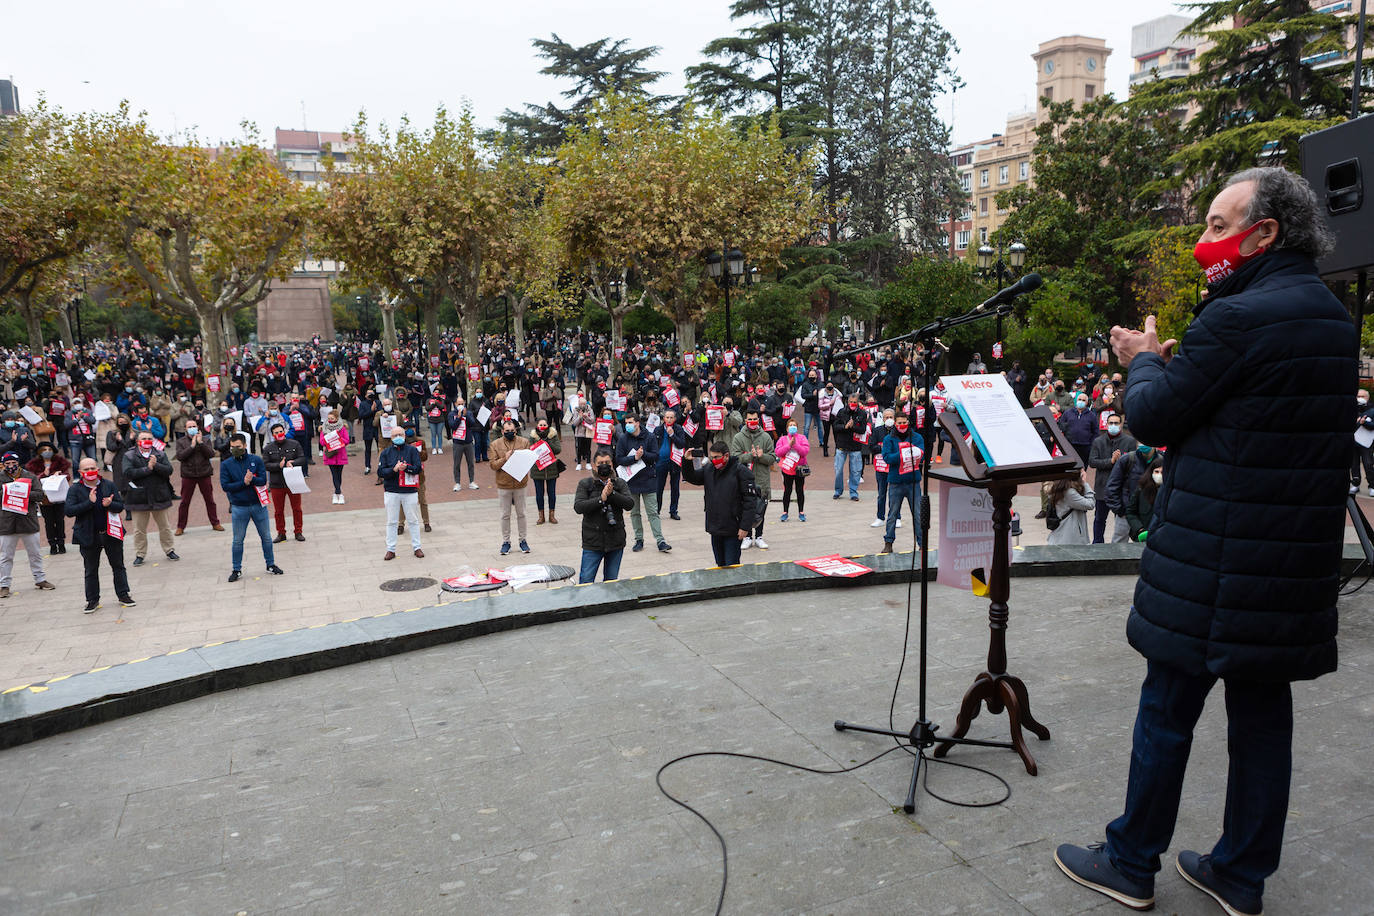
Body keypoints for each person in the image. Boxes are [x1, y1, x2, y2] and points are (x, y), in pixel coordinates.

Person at [1055, 167, 1356, 916]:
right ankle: (1240, 875)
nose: (1205, 241)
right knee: (1263, 724)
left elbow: (1156, 416)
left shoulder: (1239, 317)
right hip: (1286, 569)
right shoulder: (1327, 313)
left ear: (1265, 233)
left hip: (1213, 563)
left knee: (1166, 711)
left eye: (1220, 226)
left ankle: (1130, 861)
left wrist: (1144, 360)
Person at [66, 457, 132, 611]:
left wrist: (110, 504)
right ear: (80, 472)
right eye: (86, 469)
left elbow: (120, 506)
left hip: (110, 533)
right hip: (88, 535)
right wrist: (89, 502)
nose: (90, 472)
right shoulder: (75, 489)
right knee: (90, 569)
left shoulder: (108, 485)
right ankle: (92, 600)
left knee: (118, 566)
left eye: (92, 468)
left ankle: (123, 594)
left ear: (97, 469)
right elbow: (69, 511)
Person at [680, 441, 760, 568]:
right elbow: (692, 477)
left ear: (726, 456)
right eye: (712, 457)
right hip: (715, 526)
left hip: (733, 528)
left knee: (731, 565)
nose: (714, 460)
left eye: (717, 457)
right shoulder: (709, 469)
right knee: (720, 565)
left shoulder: (741, 472)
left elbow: (750, 502)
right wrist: (687, 461)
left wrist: (745, 527)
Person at [218, 432, 283, 582]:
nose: (235, 449)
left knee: (266, 537)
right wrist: (244, 482)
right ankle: (236, 569)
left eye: (238, 447)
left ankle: (270, 564)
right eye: (232, 447)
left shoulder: (256, 460)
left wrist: (251, 479)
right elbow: (225, 486)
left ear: (245, 445)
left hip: (258, 505)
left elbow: (262, 481)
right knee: (238, 540)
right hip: (239, 507)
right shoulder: (226, 464)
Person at [573, 447, 634, 583]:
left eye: (607, 462)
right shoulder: (585, 484)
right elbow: (579, 507)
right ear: (594, 465)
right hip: (593, 542)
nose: (604, 466)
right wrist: (601, 499)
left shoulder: (619, 483)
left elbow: (629, 504)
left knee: (611, 582)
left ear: (612, 464)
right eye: (600, 463)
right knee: (586, 581)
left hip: (615, 541)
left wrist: (612, 494)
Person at [0, 451, 55, 598]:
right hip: (7, 523)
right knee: (6, 556)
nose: (11, 466)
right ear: (3, 464)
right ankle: (4, 585)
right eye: (7, 464)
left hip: (28, 521)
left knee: (35, 554)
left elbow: (39, 495)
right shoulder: (0, 477)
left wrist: (22, 491)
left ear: (18, 463)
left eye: (13, 463)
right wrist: (9, 490)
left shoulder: (29, 476)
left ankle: (40, 579)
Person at [121, 431, 178, 566]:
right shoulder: (129, 455)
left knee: (164, 526)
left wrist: (156, 465)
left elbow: (169, 470)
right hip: (138, 497)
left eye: (149, 438)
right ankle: (140, 554)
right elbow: (128, 473)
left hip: (159, 495)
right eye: (143, 438)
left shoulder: (160, 454)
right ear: (137, 441)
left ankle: (169, 550)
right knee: (139, 529)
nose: (146, 440)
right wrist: (147, 469)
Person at [615, 414, 670, 553]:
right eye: (626, 422)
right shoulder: (623, 438)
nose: (627, 425)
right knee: (634, 512)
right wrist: (634, 458)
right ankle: (639, 539)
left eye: (630, 422)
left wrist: (643, 454)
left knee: (653, 512)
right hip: (631, 481)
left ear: (638, 423)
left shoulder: (649, 437)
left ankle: (660, 540)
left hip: (648, 480)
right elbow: (619, 459)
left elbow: (655, 456)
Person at [1088, 413, 1136, 544]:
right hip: (1102, 487)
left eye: (1116, 423)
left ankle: (1120, 545)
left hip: (1122, 489)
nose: (1113, 426)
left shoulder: (1129, 441)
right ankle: (1098, 544)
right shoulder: (1098, 441)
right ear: (1106, 424)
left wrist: (1121, 461)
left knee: (1121, 520)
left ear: (1121, 425)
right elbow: (1092, 462)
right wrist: (1111, 461)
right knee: (1099, 519)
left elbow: (1134, 464)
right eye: (1111, 423)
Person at [377, 425, 424, 560]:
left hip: (409, 491)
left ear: (404, 436)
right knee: (391, 521)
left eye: (400, 435)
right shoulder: (385, 453)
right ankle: (390, 549)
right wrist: (394, 469)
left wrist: (406, 468)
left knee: (413, 520)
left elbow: (417, 468)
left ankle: (417, 547)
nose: (398, 437)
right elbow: (381, 472)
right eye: (395, 435)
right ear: (391, 437)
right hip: (392, 491)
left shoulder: (412, 450)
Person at [730, 408, 775, 549]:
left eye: (755, 419)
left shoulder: (766, 437)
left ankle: (759, 536)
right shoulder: (738, 437)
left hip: (762, 480)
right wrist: (750, 455)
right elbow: (735, 458)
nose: (752, 422)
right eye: (750, 419)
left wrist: (762, 456)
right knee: (745, 509)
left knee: (761, 509)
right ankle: (747, 536)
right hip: (744, 481)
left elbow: (772, 458)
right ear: (745, 420)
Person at [879, 413, 922, 553]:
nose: (902, 425)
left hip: (913, 482)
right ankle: (888, 543)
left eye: (904, 422)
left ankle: (922, 543)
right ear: (895, 424)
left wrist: (912, 453)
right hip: (896, 482)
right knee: (892, 514)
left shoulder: (916, 437)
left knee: (918, 514)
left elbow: (922, 454)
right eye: (899, 423)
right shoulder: (888, 439)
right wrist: (904, 453)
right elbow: (887, 458)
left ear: (908, 422)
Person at [489, 417, 531, 555]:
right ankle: (506, 541)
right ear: (502, 431)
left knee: (522, 513)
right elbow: (493, 465)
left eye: (512, 430)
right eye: (507, 430)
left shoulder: (524, 442)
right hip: (503, 484)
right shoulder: (495, 444)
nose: (510, 432)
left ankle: (523, 540)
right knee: (505, 515)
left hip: (520, 483)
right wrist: (504, 458)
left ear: (516, 430)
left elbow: (529, 460)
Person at [173, 418, 223, 535]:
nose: (192, 429)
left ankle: (215, 522)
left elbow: (211, 454)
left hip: (204, 473)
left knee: (210, 500)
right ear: (185, 429)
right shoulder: (181, 442)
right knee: (185, 501)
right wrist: (192, 446)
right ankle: (181, 526)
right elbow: (180, 456)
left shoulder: (205, 440)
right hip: (188, 474)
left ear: (198, 427)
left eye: (193, 426)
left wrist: (200, 443)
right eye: (189, 427)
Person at [262, 421, 306, 543]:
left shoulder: (294, 444)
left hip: (293, 483)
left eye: (281, 431)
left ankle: (298, 531)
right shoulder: (268, 448)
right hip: (277, 484)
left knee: (297, 508)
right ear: (272, 435)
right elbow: (265, 465)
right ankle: (281, 533)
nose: (279, 434)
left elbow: (302, 458)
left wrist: (293, 463)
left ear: (284, 432)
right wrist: (278, 465)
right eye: (276, 433)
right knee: (278, 511)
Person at [26, 442, 71, 554]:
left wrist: (60, 475)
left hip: (59, 496)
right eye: (44, 449)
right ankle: (52, 543)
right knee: (49, 522)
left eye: (49, 449)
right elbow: (32, 480)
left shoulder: (60, 462)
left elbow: (68, 476)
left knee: (60, 520)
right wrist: (43, 474)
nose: (47, 452)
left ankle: (61, 543)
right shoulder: (34, 464)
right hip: (45, 498)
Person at [1044, 468, 1094, 545]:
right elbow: (1090, 504)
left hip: (1061, 537)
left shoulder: (1058, 488)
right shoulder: (1069, 493)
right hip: (1069, 539)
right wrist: (1085, 483)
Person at [654, 409, 687, 521]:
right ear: (664, 418)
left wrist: (672, 435)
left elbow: (682, 444)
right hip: (660, 462)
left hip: (675, 462)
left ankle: (673, 511)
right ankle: (656, 511)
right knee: (658, 488)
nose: (669, 419)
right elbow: (653, 445)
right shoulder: (657, 430)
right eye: (667, 417)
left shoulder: (678, 429)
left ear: (675, 418)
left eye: (671, 417)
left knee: (675, 488)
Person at [774, 418, 809, 523]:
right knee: (787, 490)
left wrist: (795, 445)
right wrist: (789, 445)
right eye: (790, 425)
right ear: (787, 428)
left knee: (800, 490)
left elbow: (805, 452)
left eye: (794, 425)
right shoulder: (782, 439)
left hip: (799, 469)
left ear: (797, 428)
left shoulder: (802, 438)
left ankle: (801, 512)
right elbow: (778, 452)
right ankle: (785, 512)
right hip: (787, 469)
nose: (792, 427)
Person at [529, 418, 562, 526]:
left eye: (544, 424)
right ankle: (541, 516)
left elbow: (558, 449)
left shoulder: (553, 435)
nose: (542, 426)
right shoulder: (533, 437)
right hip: (537, 468)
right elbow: (530, 450)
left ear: (548, 425)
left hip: (551, 468)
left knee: (551, 493)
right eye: (540, 424)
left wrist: (547, 443)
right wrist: (539, 443)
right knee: (539, 494)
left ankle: (552, 515)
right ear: (537, 426)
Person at [831, 393, 864, 501]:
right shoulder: (841, 412)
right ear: (847, 402)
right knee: (838, 469)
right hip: (842, 445)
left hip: (855, 447)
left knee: (855, 471)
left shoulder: (862, 413)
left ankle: (853, 492)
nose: (852, 404)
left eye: (855, 402)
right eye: (851, 402)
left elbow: (863, 430)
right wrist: (845, 427)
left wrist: (853, 426)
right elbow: (835, 427)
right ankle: (838, 491)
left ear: (858, 403)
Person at [1125, 459, 1163, 543]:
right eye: (1156, 471)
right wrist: (1140, 529)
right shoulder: (1141, 490)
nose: (1159, 475)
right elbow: (1130, 512)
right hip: (1144, 537)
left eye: (1162, 472)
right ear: (1151, 472)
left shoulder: (1172, 492)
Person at [319, 409, 350, 504]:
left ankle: (337, 493)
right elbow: (321, 441)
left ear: (337, 418)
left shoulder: (342, 428)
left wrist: (337, 439)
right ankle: (338, 493)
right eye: (328, 418)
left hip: (340, 454)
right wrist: (328, 439)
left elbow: (347, 440)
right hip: (330, 455)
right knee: (334, 474)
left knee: (339, 475)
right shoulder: (324, 428)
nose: (330, 420)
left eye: (332, 418)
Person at [446, 397, 478, 491]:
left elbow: (472, 423)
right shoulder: (451, 414)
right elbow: (452, 426)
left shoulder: (468, 413)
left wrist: (465, 416)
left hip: (468, 442)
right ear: (455, 404)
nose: (460, 405)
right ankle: (457, 483)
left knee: (471, 463)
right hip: (457, 443)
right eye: (458, 404)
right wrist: (459, 418)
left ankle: (472, 481)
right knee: (457, 464)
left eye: (462, 403)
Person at [1353, 388, 1373, 496]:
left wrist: (1364, 423)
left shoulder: (1372, 409)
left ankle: (1372, 485)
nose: (1360, 398)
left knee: (1368, 464)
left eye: (1362, 396)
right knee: (1354, 464)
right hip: (1354, 442)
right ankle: (1355, 484)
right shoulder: (1352, 408)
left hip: (1366, 443)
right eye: (1358, 396)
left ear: (1368, 398)